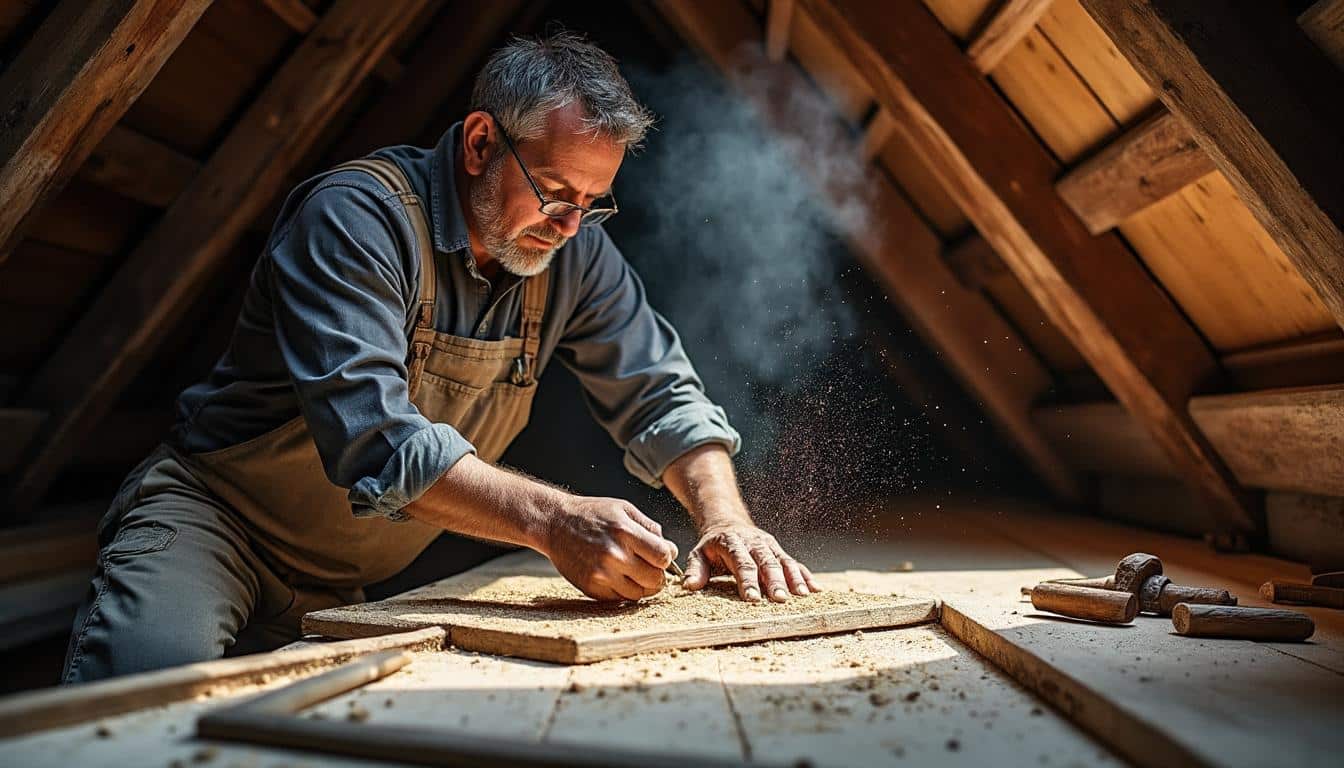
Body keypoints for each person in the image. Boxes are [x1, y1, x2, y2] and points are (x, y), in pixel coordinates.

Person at [63, 32, 818, 683]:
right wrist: (554, 520)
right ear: (481, 142)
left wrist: (724, 520)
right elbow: (378, 442)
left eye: (593, 203)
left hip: (349, 581)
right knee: (137, 696)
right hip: (217, 526)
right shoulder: (355, 219)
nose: (569, 225)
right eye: (554, 192)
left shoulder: (575, 253)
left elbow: (661, 393)